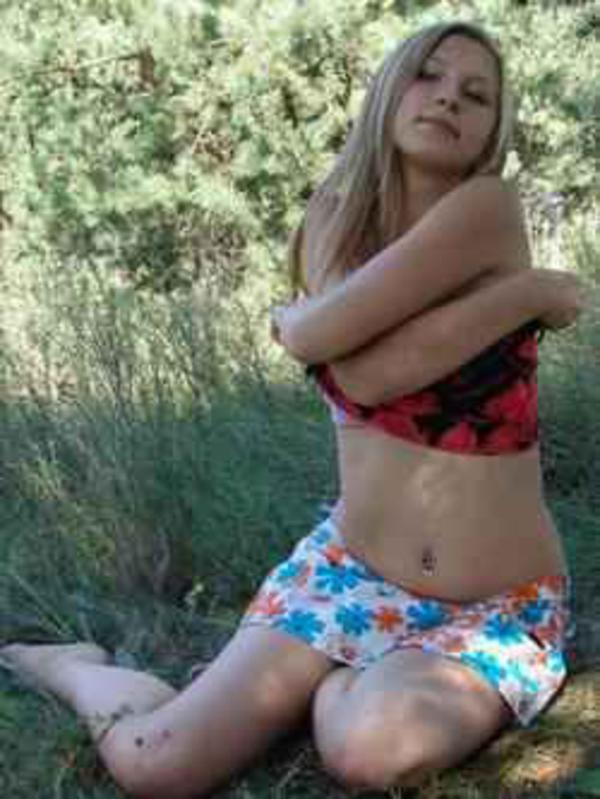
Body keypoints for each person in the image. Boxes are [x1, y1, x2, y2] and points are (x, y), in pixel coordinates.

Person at [0, 20, 587, 799]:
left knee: (372, 752)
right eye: (428, 75)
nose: (449, 98)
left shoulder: (489, 207)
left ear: (494, 129)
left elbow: (337, 349)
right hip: (347, 573)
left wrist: (312, 325)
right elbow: (367, 375)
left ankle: (334, 685)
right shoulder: (336, 215)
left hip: (491, 606)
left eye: (476, 95)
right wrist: (530, 293)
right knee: (154, 762)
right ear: (389, 89)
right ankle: (76, 668)